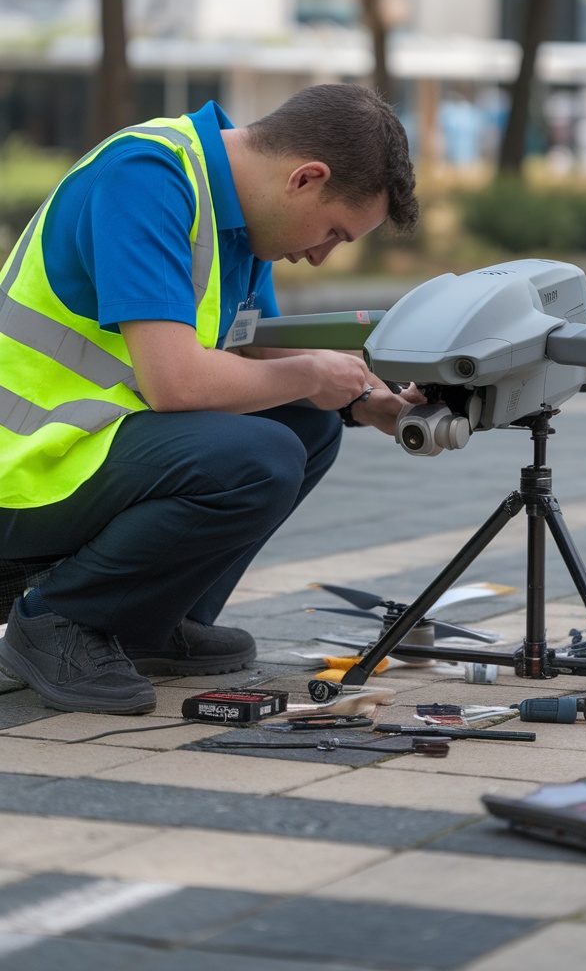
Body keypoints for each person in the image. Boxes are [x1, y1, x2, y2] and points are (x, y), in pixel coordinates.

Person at [0, 83, 420, 715]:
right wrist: (311, 377)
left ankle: (145, 621)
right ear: (305, 178)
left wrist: (368, 400)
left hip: (80, 449)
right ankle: (56, 621)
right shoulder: (146, 176)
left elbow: (257, 350)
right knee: (262, 454)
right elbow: (177, 384)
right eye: (334, 231)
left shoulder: (235, 216)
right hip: (23, 468)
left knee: (309, 427)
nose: (319, 255)